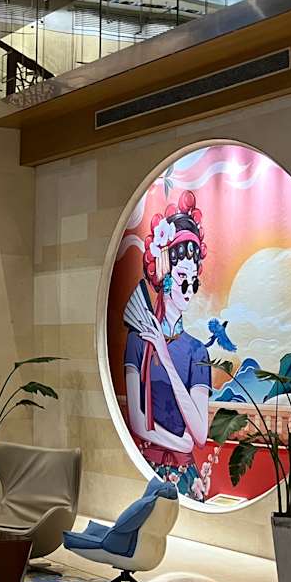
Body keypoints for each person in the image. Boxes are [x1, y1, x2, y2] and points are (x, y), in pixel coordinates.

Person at [123, 190, 213, 499]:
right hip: (145, 470)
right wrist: (179, 443)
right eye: (182, 276)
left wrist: (164, 354)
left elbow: (200, 433)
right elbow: (137, 422)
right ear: (165, 276)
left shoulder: (197, 351)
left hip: (186, 477)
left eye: (193, 279)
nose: (188, 288)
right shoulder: (137, 340)